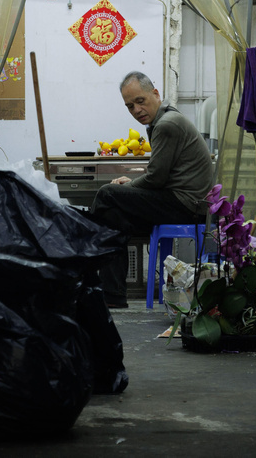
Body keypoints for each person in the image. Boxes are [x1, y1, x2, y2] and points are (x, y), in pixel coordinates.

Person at [90, 71, 215, 308]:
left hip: (188, 206)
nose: (136, 110)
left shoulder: (167, 124)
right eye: (129, 106)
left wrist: (127, 185)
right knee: (113, 217)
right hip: (181, 202)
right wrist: (131, 185)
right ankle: (112, 297)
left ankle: (85, 261)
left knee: (107, 194)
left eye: (140, 101)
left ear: (155, 94)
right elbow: (159, 175)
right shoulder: (163, 120)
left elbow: (156, 178)